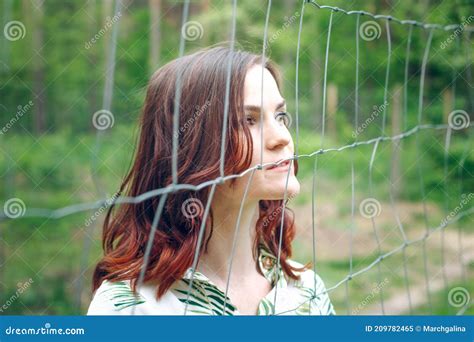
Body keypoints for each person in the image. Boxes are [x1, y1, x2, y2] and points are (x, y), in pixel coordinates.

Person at [87, 46, 335, 315]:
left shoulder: (305, 289)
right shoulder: (131, 307)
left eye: (280, 116)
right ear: (190, 148)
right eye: (248, 121)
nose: (283, 138)